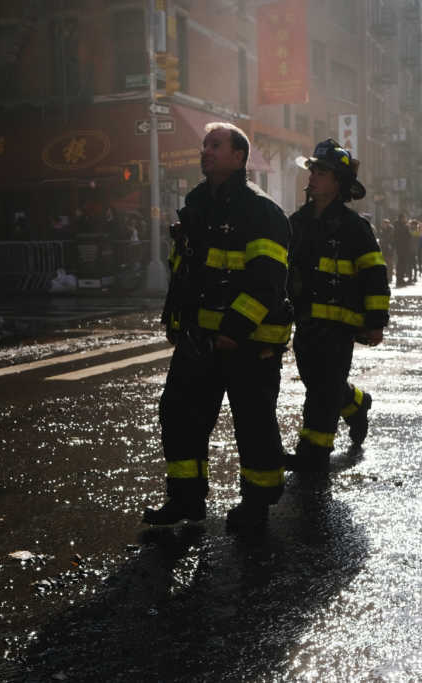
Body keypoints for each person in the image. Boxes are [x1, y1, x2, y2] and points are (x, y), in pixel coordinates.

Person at [147, 121, 292, 534]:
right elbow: (185, 272)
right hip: (197, 339)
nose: (205, 151)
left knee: (252, 421)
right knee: (178, 413)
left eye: (215, 145)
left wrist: (235, 329)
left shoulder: (260, 211)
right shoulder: (197, 204)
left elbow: (268, 282)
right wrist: (176, 322)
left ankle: (257, 504)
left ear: (239, 157)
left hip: (247, 343)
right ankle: (185, 497)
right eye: (204, 145)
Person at [286, 138, 389, 473]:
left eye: (322, 171)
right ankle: (357, 404)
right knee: (319, 384)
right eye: (313, 169)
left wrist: (375, 321)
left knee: (323, 392)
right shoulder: (297, 223)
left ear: (338, 182)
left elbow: (374, 274)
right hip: (305, 324)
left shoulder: (354, 228)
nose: (313, 176)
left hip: (340, 327)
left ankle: (313, 454)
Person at [393, 213, 413, 287]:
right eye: (404, 218)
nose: (405, 219)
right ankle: (400, 279)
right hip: (402, 248)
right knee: (401, 264)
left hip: (401, 248)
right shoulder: (403, 226)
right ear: (401, 218)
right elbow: (409, 236)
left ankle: (400, 279)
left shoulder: (397, 226)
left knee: (401, 264)